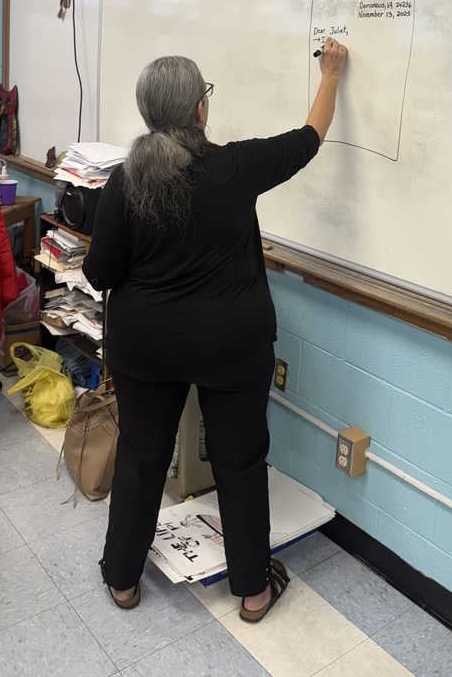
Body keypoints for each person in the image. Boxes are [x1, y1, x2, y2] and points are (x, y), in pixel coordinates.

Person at [82, 36, 347, 621]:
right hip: (233, 346)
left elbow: (99, 271)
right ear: (199, 110)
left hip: (145, 349)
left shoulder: (125, 182)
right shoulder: (235, 166)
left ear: (150, 113)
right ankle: (253, 590)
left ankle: (123, 580)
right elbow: (309, 140)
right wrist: (330, 76)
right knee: (240, 460)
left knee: (141, 458)